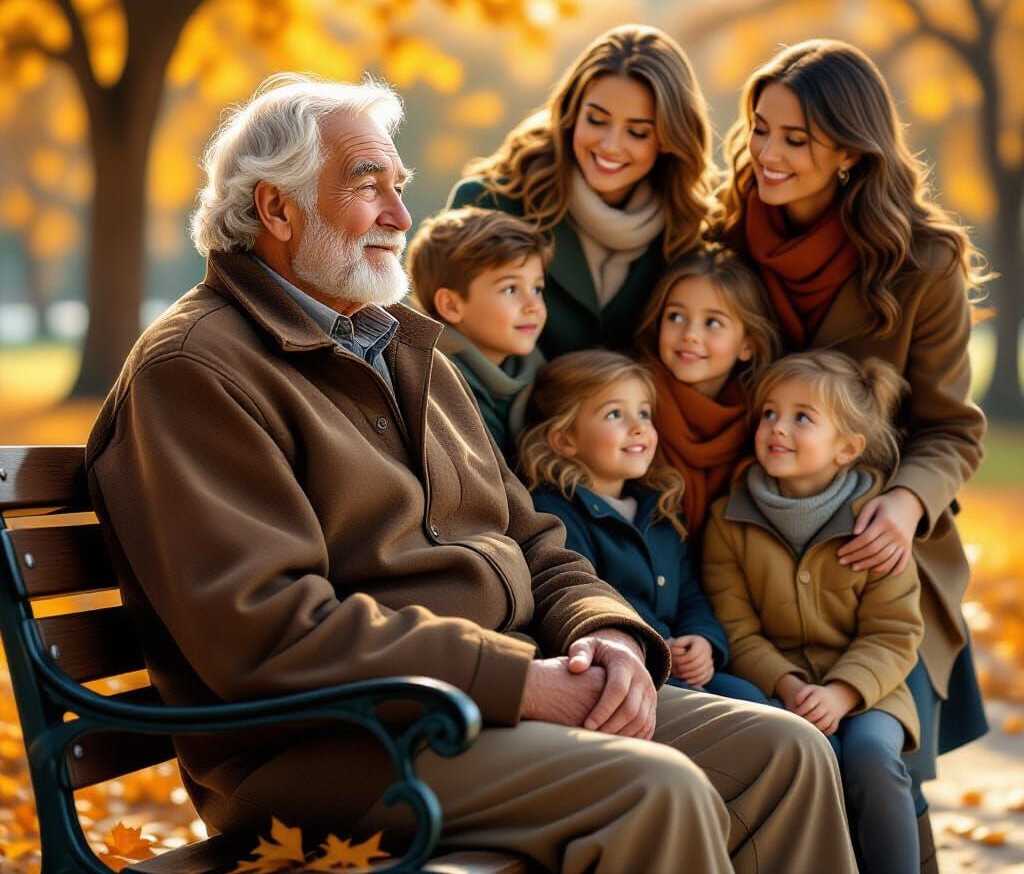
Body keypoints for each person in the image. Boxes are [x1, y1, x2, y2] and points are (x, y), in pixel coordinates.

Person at [85, 74, 858, 874]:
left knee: (785, 753)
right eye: (367, 186)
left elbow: (531, 537)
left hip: (490, 697)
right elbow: (270, 630)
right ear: (277, 210)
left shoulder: (400, 348)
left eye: (399, 186)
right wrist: (520, 682)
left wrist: (605, 631)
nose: (399, 215)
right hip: (328, 744)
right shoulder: (195, 371)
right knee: (655, 788)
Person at [716, 38, 990, 869]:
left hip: (880, 554)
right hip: (752, 540)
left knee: (882, 766)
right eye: (762, 129)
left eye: (796, 139)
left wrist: (904, 504)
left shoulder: (922, 261)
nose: (768, 153)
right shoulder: (725, 236)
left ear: (849, 150)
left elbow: (950, 427)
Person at [703, 351, 924, 874]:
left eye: (802, 417)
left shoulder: (876, 527)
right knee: (800, 754)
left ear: (847, 448)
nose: (777, 428)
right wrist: (788, 685)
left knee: (872, 759)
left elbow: (894, 632)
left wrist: (842, 692)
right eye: (769, 413)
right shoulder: (729, 520)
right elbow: (736, 628)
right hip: (778, 687)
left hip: (870, 691)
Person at [448, 24, 714, 358]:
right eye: (596, 120)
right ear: (572, 113)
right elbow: (442, 345)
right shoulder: (488, 204)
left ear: (668, 139)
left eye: (637, 132)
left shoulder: (690, 233)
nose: (610, 145)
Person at [522, 350, 767, 706]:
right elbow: (584, 594)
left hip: (680, 664)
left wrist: (701, 638)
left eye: (643, 413)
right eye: (614, 414)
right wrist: (658, 644)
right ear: (564, 440)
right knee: (752, 712)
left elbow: (690, 592)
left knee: (751, 695)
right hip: (628, 667)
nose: (638, 427)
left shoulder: (659, 508)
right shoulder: (556, 515)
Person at [633, 247, 779, 549]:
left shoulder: (763, 423)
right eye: (675, 316)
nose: (690, 334)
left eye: (712, 322)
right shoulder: (632, 404)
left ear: (748, 345)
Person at [405, 206, 551, 459]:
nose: (533, 306)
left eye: (537, 289)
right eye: (510, 289)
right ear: (451, 305)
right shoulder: (434, 387)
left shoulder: (538, 372)